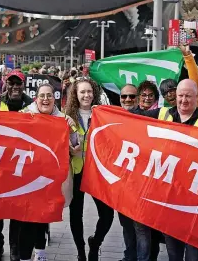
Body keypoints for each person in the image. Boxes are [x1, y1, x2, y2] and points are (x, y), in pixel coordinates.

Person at [131, 79, 198, 261]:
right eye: (180, 95)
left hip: (195, 206)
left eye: (188, 96)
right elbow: (133, 117)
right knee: (174, 254)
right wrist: (103, 112)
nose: (183, 100)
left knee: (194, 257)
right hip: (171, 203)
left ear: (197, 97)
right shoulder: (163, 114)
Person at [18, 83, 76, 261]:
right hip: (26, 177)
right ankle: (25, 257)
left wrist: (72, 130)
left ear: (54, 98)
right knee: (27, 219)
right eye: (42, 95)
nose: (45, 99)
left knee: (44, 216)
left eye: (49, 95)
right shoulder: (24, 115)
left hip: (50, 179)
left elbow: (75, 145)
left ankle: (40, 253)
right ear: (36, 98)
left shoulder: (63, 119)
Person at [65, 77, 114, 261]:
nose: (86, 95)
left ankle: (96, 243)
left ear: (94, 93)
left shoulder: (102, 114)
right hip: (77, 171)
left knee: (107, 214)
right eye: (82, 92)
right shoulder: (67, 117)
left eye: (89, 91)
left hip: (97, 174)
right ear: (75, 95)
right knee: (76, 215)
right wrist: (69, 150)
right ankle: (81, 252)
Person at [0, 70, 33, 261]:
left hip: (20, 165)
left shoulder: (31, 104)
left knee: (16, 208)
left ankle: (14, 246)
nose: (15, 87)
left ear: (23, 85)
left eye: (19, 83)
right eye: (11, 83)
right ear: (6, 84)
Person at [118, 84, 139, 261]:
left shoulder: (148, 117)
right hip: (122, 184)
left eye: (132, 96)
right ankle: (129, 255)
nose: (127, 100)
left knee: (141, 226)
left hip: (141, 183)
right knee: (126, 224)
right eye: (124, 96)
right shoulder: (114, 117)